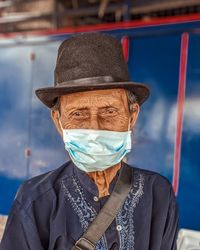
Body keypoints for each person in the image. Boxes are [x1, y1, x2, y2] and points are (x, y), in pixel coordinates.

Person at [0, 32, 178, 250]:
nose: (95, 127)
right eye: (79, 114)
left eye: (110, 111)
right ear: (58, 122)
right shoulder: (35, 200)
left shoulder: (157, 193)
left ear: (132, 116)